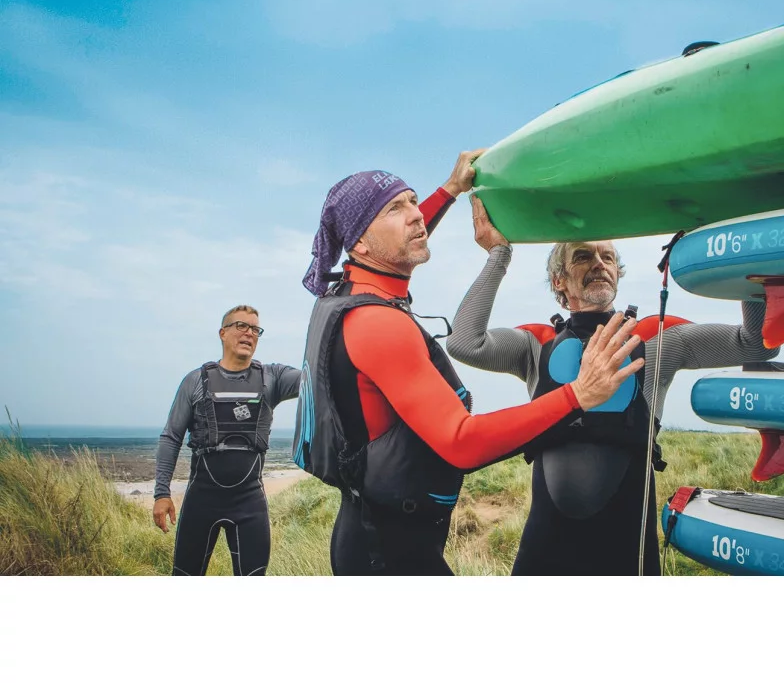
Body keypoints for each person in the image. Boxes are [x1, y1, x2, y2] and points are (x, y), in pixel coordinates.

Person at [295, 151, 644, 576]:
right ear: (360, 243)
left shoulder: (346, 293)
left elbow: (388, 237)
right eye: (394, 208)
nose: (416, 216)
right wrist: (578, 395)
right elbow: (462, 442)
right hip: (386, 551)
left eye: (413, 201)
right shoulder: (378, 324)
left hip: (375, 528)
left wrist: (451, 190)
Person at [446, 196, 779, 576]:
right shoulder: (536, 346)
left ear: (618, 275)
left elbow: (758, 344)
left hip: (626, 548)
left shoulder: (656, 340)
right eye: (583, 256)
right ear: (559, 280)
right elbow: (464, 343)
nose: (599, 264)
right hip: (546, 547)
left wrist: (745, 260)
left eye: (607, 257)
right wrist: (499, 255)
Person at [153, 305, 301, 575]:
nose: (249, 333)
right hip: (201, 501)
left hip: (250, 504)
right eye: (241, 326)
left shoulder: (272, 378)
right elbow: (171, 437)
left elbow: (314, 379)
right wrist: (162, 493)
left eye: (255, 329)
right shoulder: (196, 381)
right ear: (223, 333)